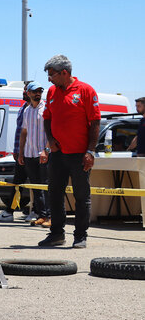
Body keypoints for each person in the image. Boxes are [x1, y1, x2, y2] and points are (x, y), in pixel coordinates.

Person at [39, 55, 100, 248]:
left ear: (64, 73)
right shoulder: (51, 91)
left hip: (79, 154)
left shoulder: (86, 91)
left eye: (52, 75)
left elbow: (95, 122)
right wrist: (50, 141)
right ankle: (57, 234)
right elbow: (47, 118)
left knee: (81, 195)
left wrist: (90, 151)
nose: (49, 79)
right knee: (54, 193)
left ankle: (80, 236)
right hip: (58, 154)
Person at [0, 84, 32, 222]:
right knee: (18, 184)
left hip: (32, 153)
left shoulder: (36, 109)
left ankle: (38, 212)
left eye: (26, 90)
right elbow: (20, 133)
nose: (23, 92)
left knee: (37, 184)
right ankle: (9, 211)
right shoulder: (24, 108)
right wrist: (17, 151)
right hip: (22, 153)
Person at [17, 81, 51, 227]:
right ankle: (42, 215)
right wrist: (20, 153)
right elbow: (24, 132)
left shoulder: (47, 109)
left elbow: (52, 131)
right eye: (35, 91)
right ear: (28, 94)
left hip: (44, 154)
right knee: (36, 187)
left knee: (47, 186)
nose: (38, 93)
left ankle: (50, 216)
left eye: (40, 91)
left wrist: (47, 150)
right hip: (29, 154)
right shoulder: (27, 110)